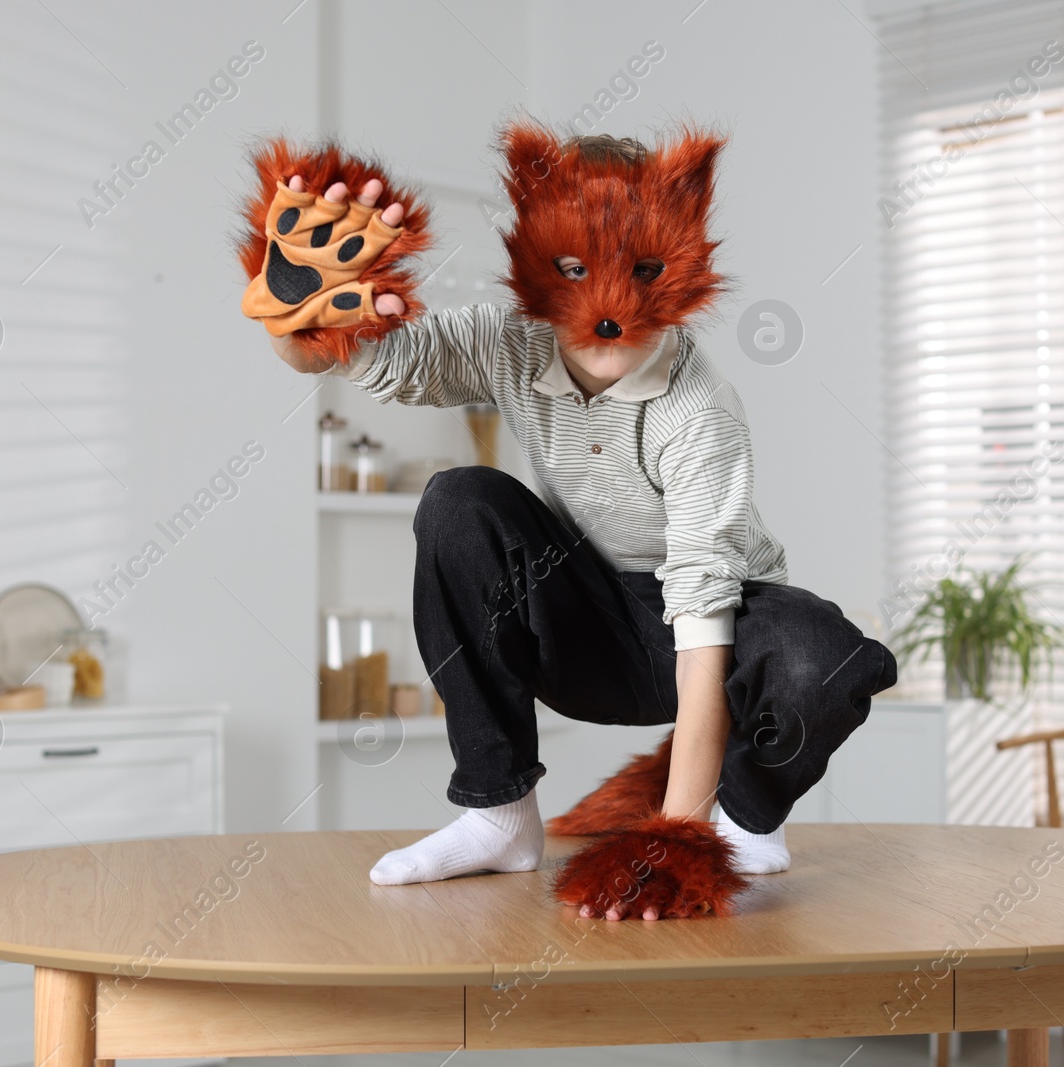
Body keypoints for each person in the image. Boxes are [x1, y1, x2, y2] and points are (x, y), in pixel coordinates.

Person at [255, 123, 898, 920]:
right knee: (458, 500)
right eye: (574, 269)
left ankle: (744, 814)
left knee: (828, 655)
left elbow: (703, 629)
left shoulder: (697, 411)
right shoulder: (515, 346)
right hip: (585, 625)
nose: (606, 314)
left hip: (712, 637)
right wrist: (297, 304)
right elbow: (360, 361)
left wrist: (677, 837)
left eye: (641, 272)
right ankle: (497, 813)